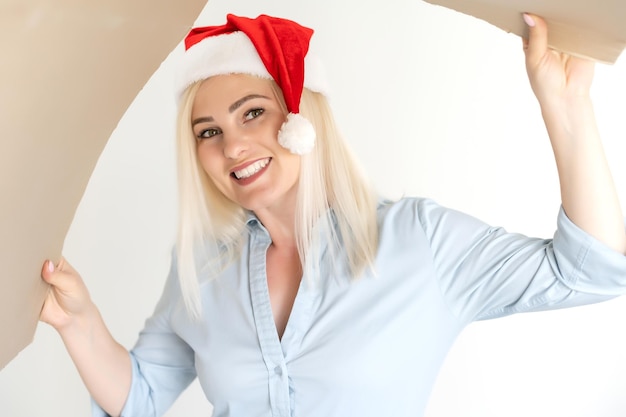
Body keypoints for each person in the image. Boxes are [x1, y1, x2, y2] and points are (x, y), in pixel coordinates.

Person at [39, 12, 626, 417]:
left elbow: (592, 269)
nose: (232, 147)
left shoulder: (418, 242)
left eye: (252, 114)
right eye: (208, 132)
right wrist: (77, 320)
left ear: (299, 116)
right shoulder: (201, 269)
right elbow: (140, 398)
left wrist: (566, 103)